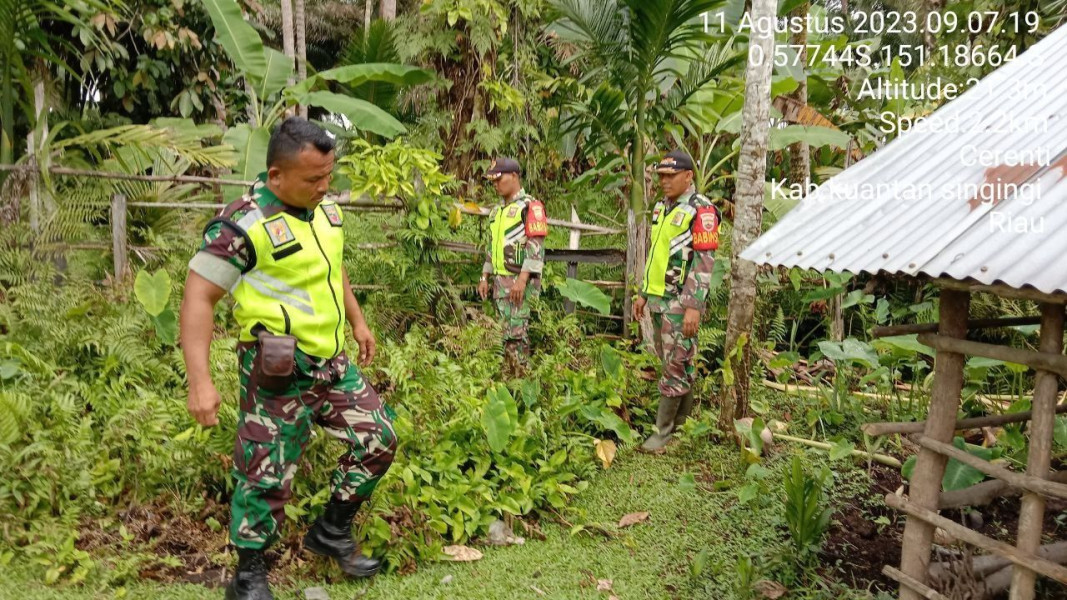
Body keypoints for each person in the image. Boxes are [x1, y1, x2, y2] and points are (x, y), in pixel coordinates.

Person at [179, 117, 397, 600]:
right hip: (278, 372)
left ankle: (331, 531)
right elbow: (198, 297)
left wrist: (358, 321)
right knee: (265, 474)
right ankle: (249, 575)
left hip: (332, 364)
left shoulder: (326, 211)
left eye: (329, 176)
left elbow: (332, 267)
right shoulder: (243, 223)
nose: (324, 187)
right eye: (313, 179)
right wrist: (200, 381)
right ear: (276, 175)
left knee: (379, 440)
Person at [632, 149, 721, 452]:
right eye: (661, 176)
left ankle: (663, 432)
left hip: (680, 303)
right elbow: (656, 255)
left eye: (670, 176)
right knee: (675, 361)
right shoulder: (662, 208)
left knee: (675, 364)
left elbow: (704, 262)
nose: (664, 181)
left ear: (688, 176)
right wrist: (643, 293)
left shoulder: (701, 210)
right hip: (659, 298)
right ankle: (683, 425)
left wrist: (693, 305)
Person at [477, 157, 549, 376]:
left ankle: (520, 380)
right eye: (493, 181)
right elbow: (493, 247)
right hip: (500, 284)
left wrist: (522, 280)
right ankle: (506, 379)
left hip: (519, 284)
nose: (496, 185)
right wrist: (485, 276)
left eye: (499, 179)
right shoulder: (497, 212)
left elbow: (536, 247)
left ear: (514, 176)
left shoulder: (530, 207)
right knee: (501, 334)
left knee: (516, 336)